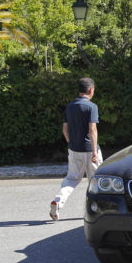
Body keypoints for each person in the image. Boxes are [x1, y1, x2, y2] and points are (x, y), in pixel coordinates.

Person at [50, 77, 101, 220]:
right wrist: (94, 152)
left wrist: (70, 143)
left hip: (74, 149)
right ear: (90, 90)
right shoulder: (92, 107)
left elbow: (65, 129)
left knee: (71, 179)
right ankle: (95, 210)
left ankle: (58, 201)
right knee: (96, 180)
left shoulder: (70, 106)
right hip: (89, 149)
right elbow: (92, 130)